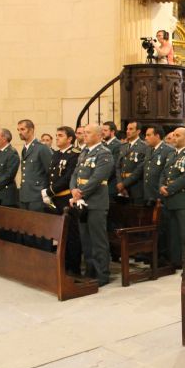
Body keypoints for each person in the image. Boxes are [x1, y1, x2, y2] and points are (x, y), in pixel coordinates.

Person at [70, 124, 115, 286]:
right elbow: (75, 173)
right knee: (86, 240)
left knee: (98, 241)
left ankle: (102, 274)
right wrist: (73, 189)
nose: (85, 135)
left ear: (98, 135)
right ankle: (90, 271)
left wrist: (80, 192)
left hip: (96, 203)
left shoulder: (104, 154)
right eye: (84, 133)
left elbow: (97, 178)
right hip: (82, 202)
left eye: (88, 133)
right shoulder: (84, 152)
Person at [43, 126, 82, 276]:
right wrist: (48, 191)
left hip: (66, 197)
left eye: (60, 135)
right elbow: (51, 175)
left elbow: (68, 178)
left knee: (71, 234)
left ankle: (74, 267)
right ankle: (63, 264)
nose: (57, 138)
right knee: (60, 234)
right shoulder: (56, 154)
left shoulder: (74, 154)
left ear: (70, 139)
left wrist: (50, 191)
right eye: (56, 135)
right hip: (55, 199)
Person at [159, 127, 185, 269]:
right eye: (173, 135)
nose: (174, 138)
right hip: (171, 200)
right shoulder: (171, 155)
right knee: (173, 234)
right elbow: (164, 173)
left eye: (178, 135)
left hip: (184, 200)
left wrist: (168, 189)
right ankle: (176, 261)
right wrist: (161, 186)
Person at [143, 125, 174, 263]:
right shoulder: (149, 149)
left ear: (157, 136)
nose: (146, 138)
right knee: (151, 226)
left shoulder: (168, 150)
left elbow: (166, 173)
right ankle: (152, 253)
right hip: (149, 194)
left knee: (162, 227)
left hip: (160, 195)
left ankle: (162, 256)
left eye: (149, 135)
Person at [0, 128, 20, 242]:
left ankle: (10, 251)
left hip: (7, 195)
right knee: (0, 226)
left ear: (4, 138)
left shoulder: (12, 153)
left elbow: (9, 175)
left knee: (8, 227)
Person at [17, 119, 53, 224]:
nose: (20, 132)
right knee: (27, 228)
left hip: (37, 195)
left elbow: (50, 171)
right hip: (25, 194)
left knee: (38, 227)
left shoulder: (41, 148)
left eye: (23, 129)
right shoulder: (25, 149)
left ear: (31, 130)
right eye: (18, 130)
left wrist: (46, 192)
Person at [116, 121, 147, 204]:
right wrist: (119, 182)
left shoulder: (144, 146)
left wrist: (124, 184)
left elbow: (139, 169)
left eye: (131, 129)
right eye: (127, 129)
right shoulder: (123, 146)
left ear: (138, 131)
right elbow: (118, 166)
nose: (127, 131)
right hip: (121, 186)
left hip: (136, 186)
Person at [102, 121, 122, 199]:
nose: (103, 132)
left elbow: (113, 166)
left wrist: (101, 179)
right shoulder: (102, 144)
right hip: (101, 183)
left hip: (110, 183)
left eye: (105, 130)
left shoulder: (118, 145)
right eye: (102, 130)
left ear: (112, 131)